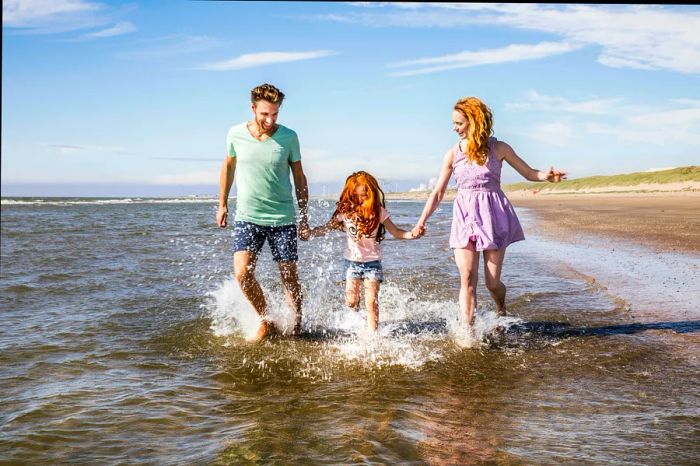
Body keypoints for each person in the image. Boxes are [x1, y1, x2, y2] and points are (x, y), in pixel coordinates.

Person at [412, 96, 566, 332]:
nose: (455, 128)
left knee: (492, 282)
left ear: (474, 122)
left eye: (459, 123)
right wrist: (421, 222)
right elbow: (438, 192)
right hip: (465, 216)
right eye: (454, 123)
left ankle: (500, 307)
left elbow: (528, 172)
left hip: (493, 214)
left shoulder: (499, 148)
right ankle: (468, 332)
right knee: (467, 279)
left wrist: (547, 176)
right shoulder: (453, 154)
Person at [216, 83, 310, 342]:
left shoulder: (289, 137)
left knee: (288, 275)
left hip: (282, 218)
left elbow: (300, 178)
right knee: (242, 272)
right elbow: (228, 168)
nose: (270, 120)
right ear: (253, 108)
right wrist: (222, 203)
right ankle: (265, 319)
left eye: (275, 114)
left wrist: (303, 216)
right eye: (264, 114)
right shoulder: (235, 134)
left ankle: (297, 325)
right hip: (247, 216)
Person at [308, 171, 418, 332]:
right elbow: (326, 228)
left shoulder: (378, 212)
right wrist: (310, 233)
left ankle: (373, 337)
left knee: (371, 302)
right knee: (351, 301)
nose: (360, 200)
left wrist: (411, 234)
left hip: (372, 263)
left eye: (364, 196)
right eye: (356, 196)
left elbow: (395, 232)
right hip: (351, 262)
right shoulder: (345, 211)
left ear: (371, 194)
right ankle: (357, 320)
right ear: (351, 195)